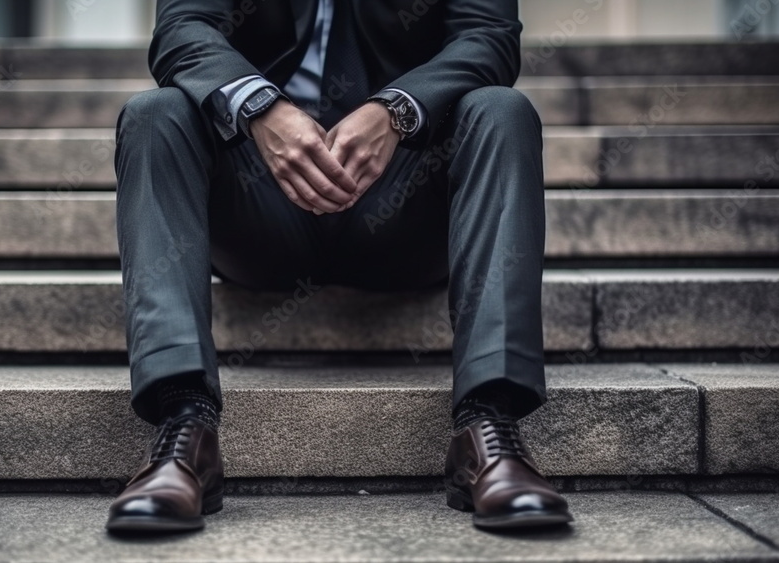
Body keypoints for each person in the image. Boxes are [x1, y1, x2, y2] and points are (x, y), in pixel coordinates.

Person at [106, 0, 572, 533]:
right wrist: (260, 107)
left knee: (502, 110)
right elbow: (182, 29)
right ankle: (185, 430)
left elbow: (488, 36)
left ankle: (487, 431)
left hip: (407, 203)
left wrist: (398, 109)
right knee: (153, 114)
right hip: (258, 205)